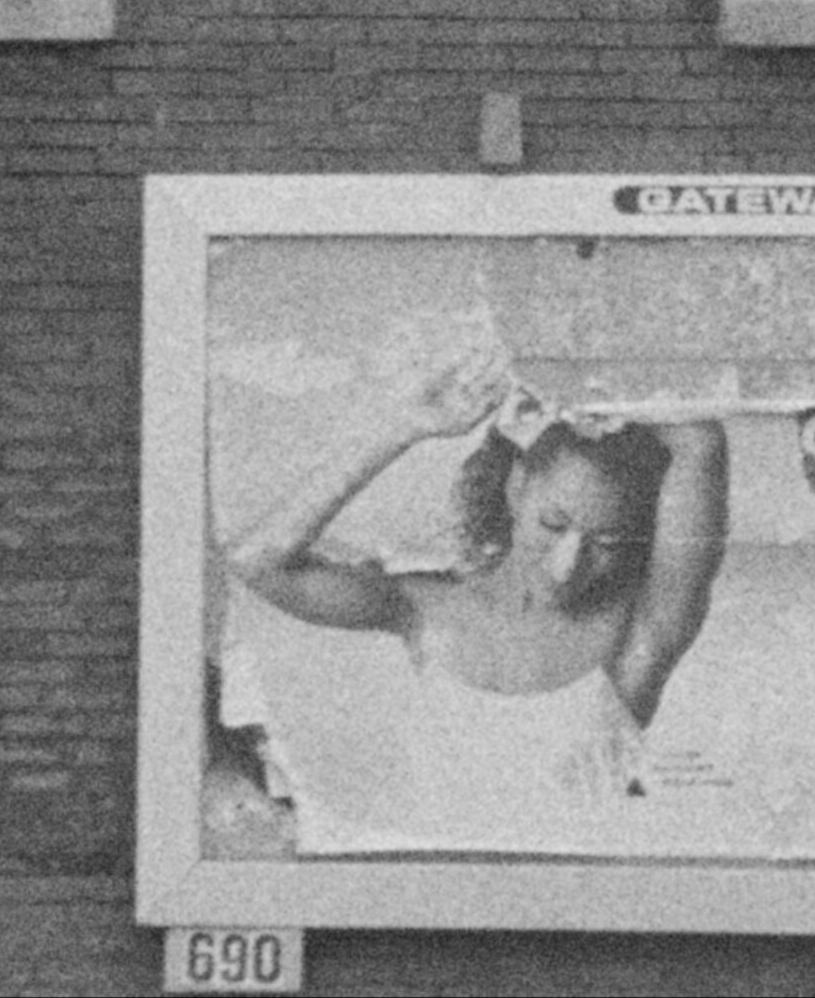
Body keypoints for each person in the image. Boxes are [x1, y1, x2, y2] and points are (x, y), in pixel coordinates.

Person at [226, 354, 728, 834]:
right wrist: (404, 425)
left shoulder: (638, 638)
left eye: (608, 542)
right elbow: (258, 562)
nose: (567, 565)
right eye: (553, 524)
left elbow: (699, 444)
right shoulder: (429, 610)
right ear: (516, 488)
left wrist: (591, 389)